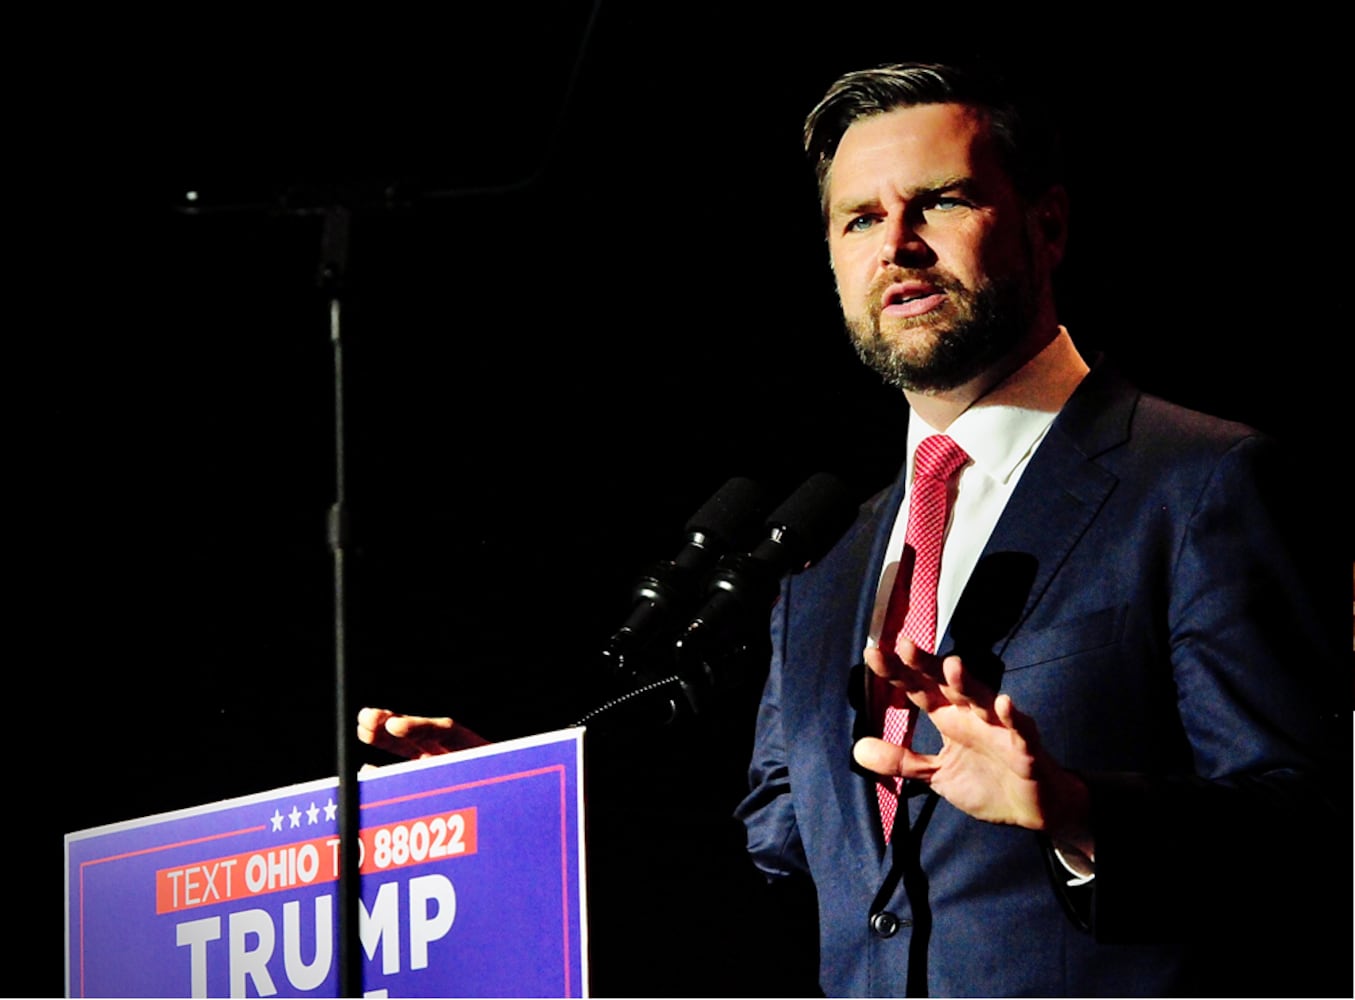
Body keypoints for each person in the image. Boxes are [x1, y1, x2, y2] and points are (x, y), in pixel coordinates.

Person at [359, 61, 1349, 997]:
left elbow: (1306, 822)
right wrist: (521, 819)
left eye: (941, 202)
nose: (896, 244)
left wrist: (1076, 809)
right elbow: (788, 857)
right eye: (859, 219)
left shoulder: (1200, 481)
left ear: (1046, 224)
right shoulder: (825, 556)